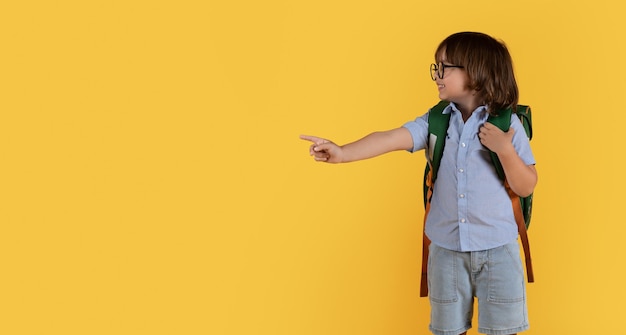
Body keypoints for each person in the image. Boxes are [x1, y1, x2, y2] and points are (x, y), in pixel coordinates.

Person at [300, 31, 537, 335]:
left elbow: (526, 185)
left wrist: (504, 148)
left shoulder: (507, 124)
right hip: (446, 251)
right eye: (435, 68)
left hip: (498, 249)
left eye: (443, 68)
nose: (436, 75)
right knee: (447, 330)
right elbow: (390, 137)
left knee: (503, 331)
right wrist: (343, 152)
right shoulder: (436, 120)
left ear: (476, 72)